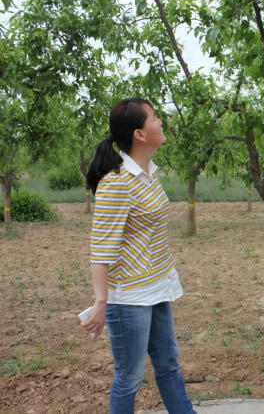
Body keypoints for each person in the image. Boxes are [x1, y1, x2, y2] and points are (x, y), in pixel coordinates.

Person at [80, 98, 195, 414]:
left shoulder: (146, 174)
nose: (161, 121)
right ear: (139, 134)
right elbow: (101, 247)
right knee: (129, 378)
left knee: (169, 364)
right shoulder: (117, 184)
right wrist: (101, 303)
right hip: (128, 297)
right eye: (154, 118)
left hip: (156, 286)